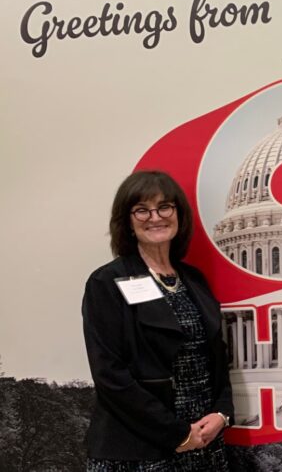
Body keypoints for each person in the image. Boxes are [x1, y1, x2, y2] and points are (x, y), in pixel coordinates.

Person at [82, 170, 233, 471]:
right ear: (127, 221)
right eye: (142, 210)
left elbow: (216, 357)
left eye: (165, 206)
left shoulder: (194, 280)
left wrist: (222, 413)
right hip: (140, 450)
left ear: (178, 213)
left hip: (203, 444)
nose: (155, 217)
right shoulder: (106, 282)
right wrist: (177, 434)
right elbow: (110, 376)